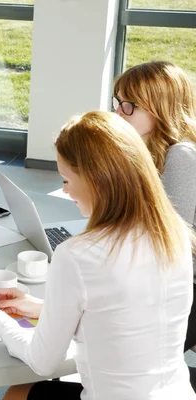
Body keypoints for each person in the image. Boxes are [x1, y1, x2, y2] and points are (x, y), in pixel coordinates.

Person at [0, 111, 196, 400]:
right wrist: (39, 307)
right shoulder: (176, 234)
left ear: (96, 179)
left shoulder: (78, 255)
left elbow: (41, 361)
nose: (65, 191)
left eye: (66, 180)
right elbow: (119, 317)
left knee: (17, 394)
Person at [112, 61, 196, 368]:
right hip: (159, 274)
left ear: (159, 109)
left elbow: (167, 246)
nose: (118, 112)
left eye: (128, 105)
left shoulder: (182, 157)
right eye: (117, 102)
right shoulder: (149, 150)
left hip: (184, 287)